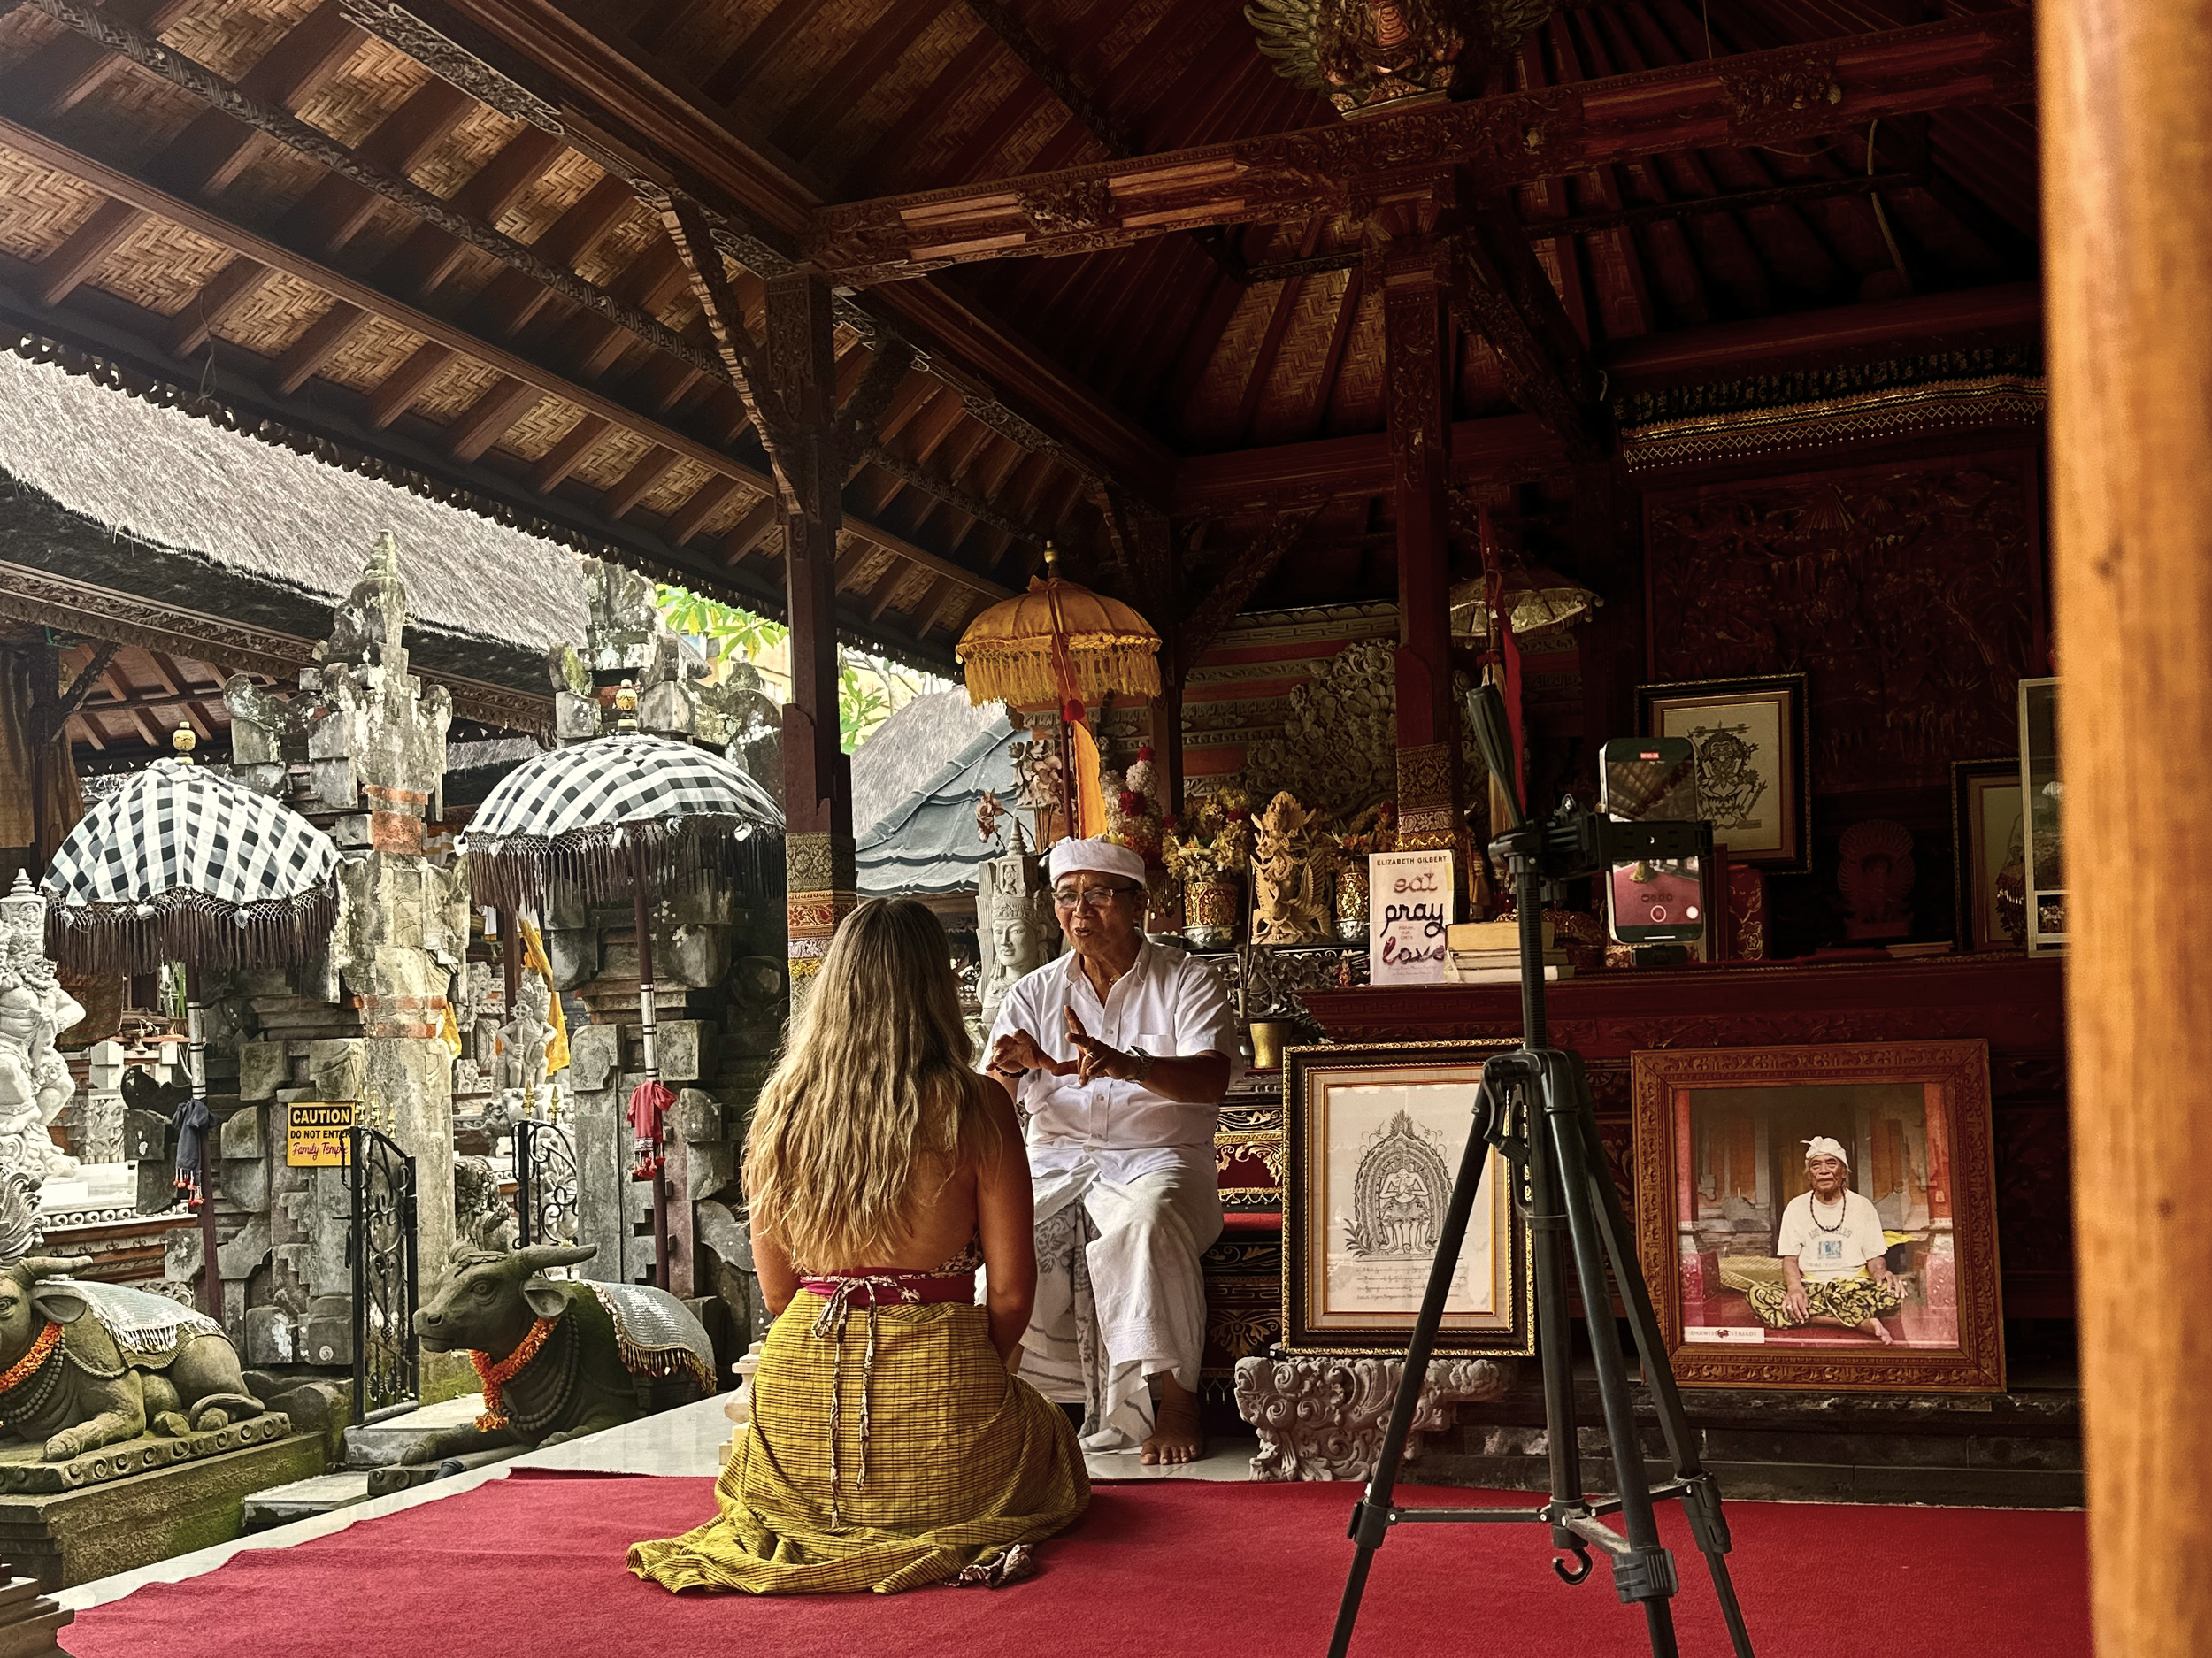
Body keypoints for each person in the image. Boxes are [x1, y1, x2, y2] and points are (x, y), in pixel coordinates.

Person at [628, 898, 1087, 1595]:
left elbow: (780, 1294)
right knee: (1053, 1446)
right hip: (943, 1388)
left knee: (770, 1476)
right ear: (937, 985)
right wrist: (969, 1372)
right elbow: (1014, 1290)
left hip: (802, 1393)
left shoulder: (781, 1105)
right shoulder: (979, 1103)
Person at [985, 836, 1238, 1465]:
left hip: (1160, 1158)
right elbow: (988, 1102)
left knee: (1145, 1226)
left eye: (1097, 894)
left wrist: (1131, 1066)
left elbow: (1210, 1079)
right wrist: (1011, 1074)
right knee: (1003, 1231)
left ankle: (1174, 1403)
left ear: (1139, 904)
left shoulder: (1187, 980)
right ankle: (994, 1402)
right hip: (1056, 1162)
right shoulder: (1032, 995)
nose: (1080, 910)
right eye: (1067, 897)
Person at [1744, 1137, 1908, 1345]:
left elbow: (1874, 1257)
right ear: (1809, 1175)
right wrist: (1795, 1289)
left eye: (1831, 1163)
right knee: (1757, 1294)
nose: (1823, 1171)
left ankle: (1809, 1316)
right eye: (1816, 1165)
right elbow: (1790, 1260)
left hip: (1853, 1288)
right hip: (1811, 1288)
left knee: (1892, 1295)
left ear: (1843, 1172)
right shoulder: (1795, 1207)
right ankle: (1856, 1321)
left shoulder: (1862, 1206)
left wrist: (1881, 1274)